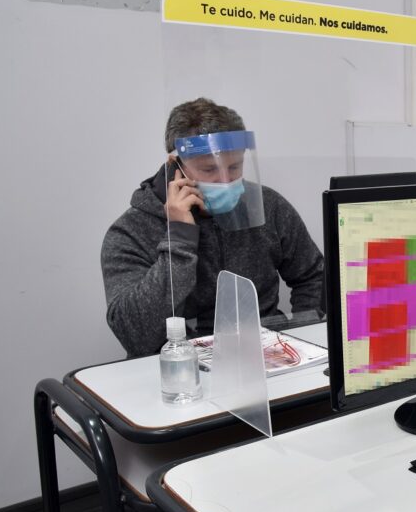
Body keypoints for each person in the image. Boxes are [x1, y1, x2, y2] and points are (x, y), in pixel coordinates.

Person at [101, 98, 325, 357]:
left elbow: (313, 275)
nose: (226, 180)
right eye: (210, 169)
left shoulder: (268, 206)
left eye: (235, 167)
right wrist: (179, 237)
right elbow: (134, 335)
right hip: (178, 365)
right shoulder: (130, 231)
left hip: (267, 356)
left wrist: (299, 337)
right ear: (177, 166)